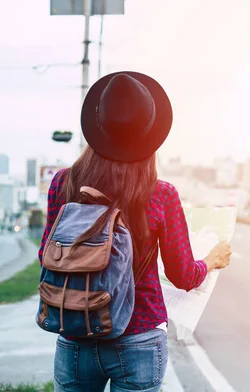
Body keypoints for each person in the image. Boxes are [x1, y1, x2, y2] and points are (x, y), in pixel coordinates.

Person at [38, 71, 232, 391]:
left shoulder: (64, 182)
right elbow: (184, 275)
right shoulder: (160, 194)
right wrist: (211, 260)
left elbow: (45, 254)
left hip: (74, 334)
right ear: (150, 136)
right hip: (137, 339)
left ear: (97, 128)